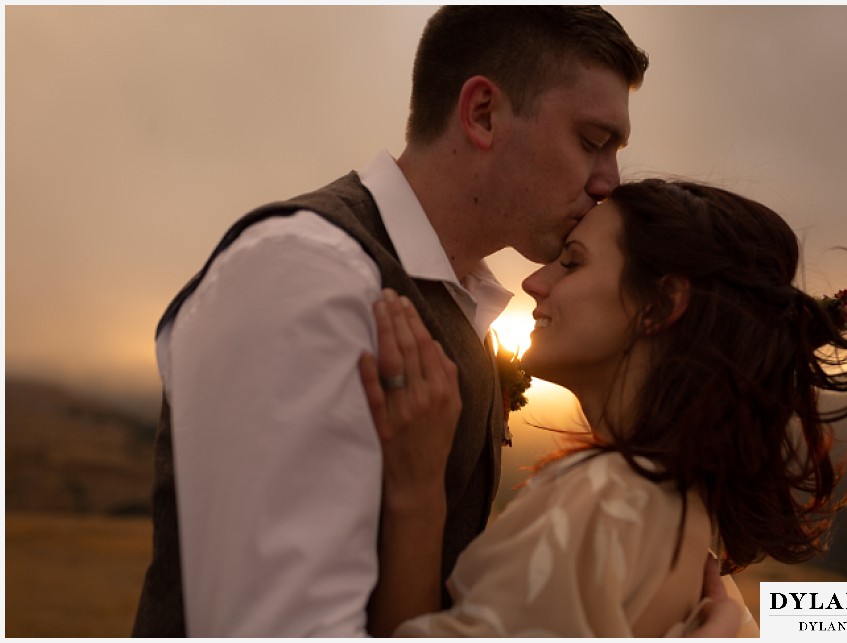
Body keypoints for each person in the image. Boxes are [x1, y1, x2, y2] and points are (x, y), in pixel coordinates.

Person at [132, 6, 661, 637]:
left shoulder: (462, 307)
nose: (609, 180)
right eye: (593, 142)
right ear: (484, 113)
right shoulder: (308, 273)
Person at [358, 178, 847, 636]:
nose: (533, 281)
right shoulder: (681, 502)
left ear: (662, 303)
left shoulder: (599, 501)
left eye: (572, 263)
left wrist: (417, 489)